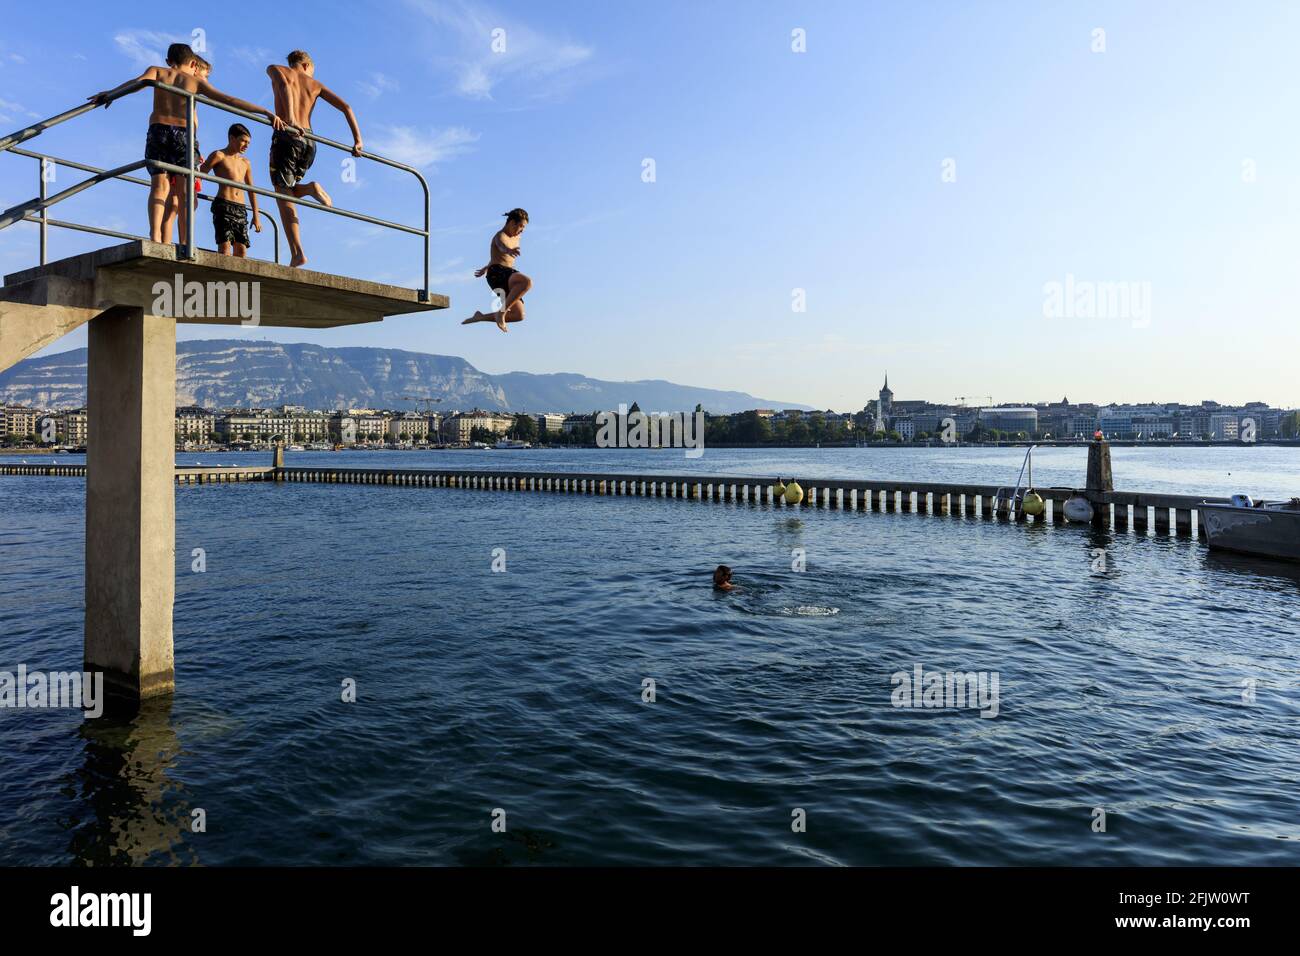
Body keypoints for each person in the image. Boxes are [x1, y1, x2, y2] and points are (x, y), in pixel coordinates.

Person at [89, 43, 282, 243]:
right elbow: (228, 100)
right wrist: (264, 111)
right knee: (185, 192)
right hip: (184, 135)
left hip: (158, 131)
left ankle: (155, 236)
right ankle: (185, 241)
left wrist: (111, 94)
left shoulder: (157, 71)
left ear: (168, 61)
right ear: (192, 63)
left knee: (159, 187)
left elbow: (135, 83)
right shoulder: (195, 82)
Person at [266, 50, 364, 267]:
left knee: (282, 194)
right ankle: (309, 189)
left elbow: (284, 85)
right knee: (287, 189)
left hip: (288, 134)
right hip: (309, 141)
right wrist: (358, 140)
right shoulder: (315, 84)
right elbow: (346, 107)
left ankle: (297, 252)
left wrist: (290, 119)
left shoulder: (275, 69)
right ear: (307, 65)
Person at [462, 209, 531, 332]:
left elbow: (496, 257)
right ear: (511, 223)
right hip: (498, 274)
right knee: (526, 282)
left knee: (518, 315)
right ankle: (501, 312)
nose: (522, 230)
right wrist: (509, 251)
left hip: (504, 273)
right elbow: (501, 247)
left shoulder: (517, 237)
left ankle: (480, 317)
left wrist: (485, 267)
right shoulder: (500, 236)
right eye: (521, 226)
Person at [202, 124, 262, 256]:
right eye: (243, 141)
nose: (246, 145)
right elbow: (200, 174)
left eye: (248, 142)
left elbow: (251, 190)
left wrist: (256, 215)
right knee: (225, 249)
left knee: (241, 251)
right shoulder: (219, 155)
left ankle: (238, 277)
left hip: (241, 209)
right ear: (232, 138)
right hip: (223, 205)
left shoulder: (246, 162)